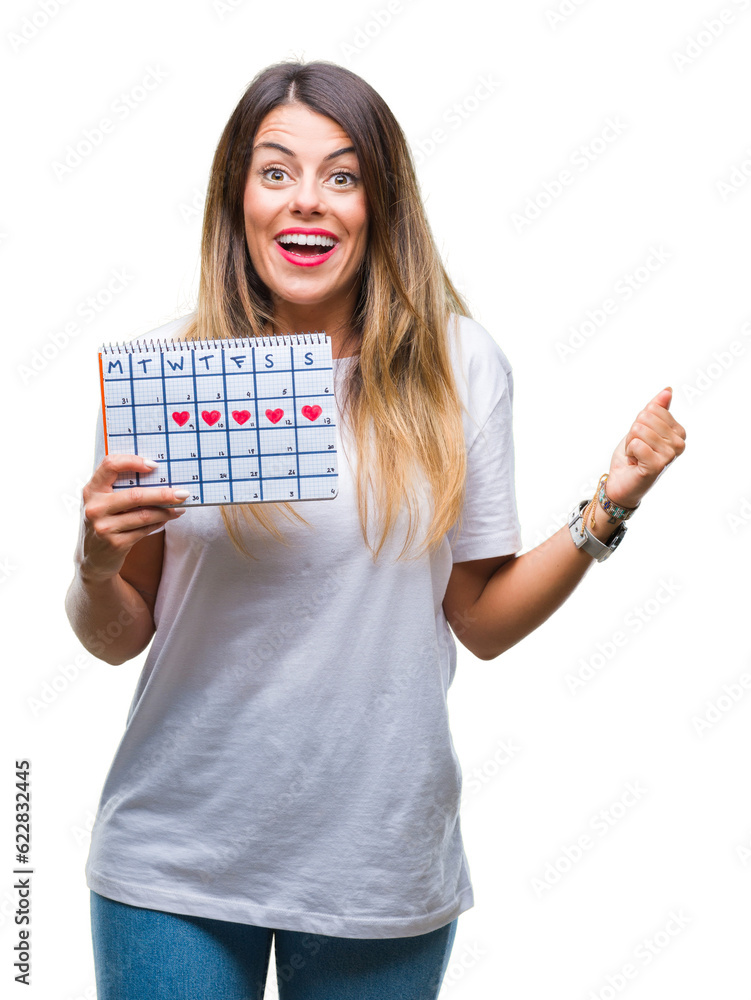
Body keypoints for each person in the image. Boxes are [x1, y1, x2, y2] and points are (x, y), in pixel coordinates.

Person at [65, 59, 686, 1000]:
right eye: (275, 172)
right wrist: (94, 560)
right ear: (237, 197)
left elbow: (478, 619)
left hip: (379, 861)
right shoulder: (175, 377)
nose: (306, 201)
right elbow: (116, 637)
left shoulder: (458, 367)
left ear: (379, 202)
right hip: (173, 865)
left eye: (342, 175)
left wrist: (614, 500)